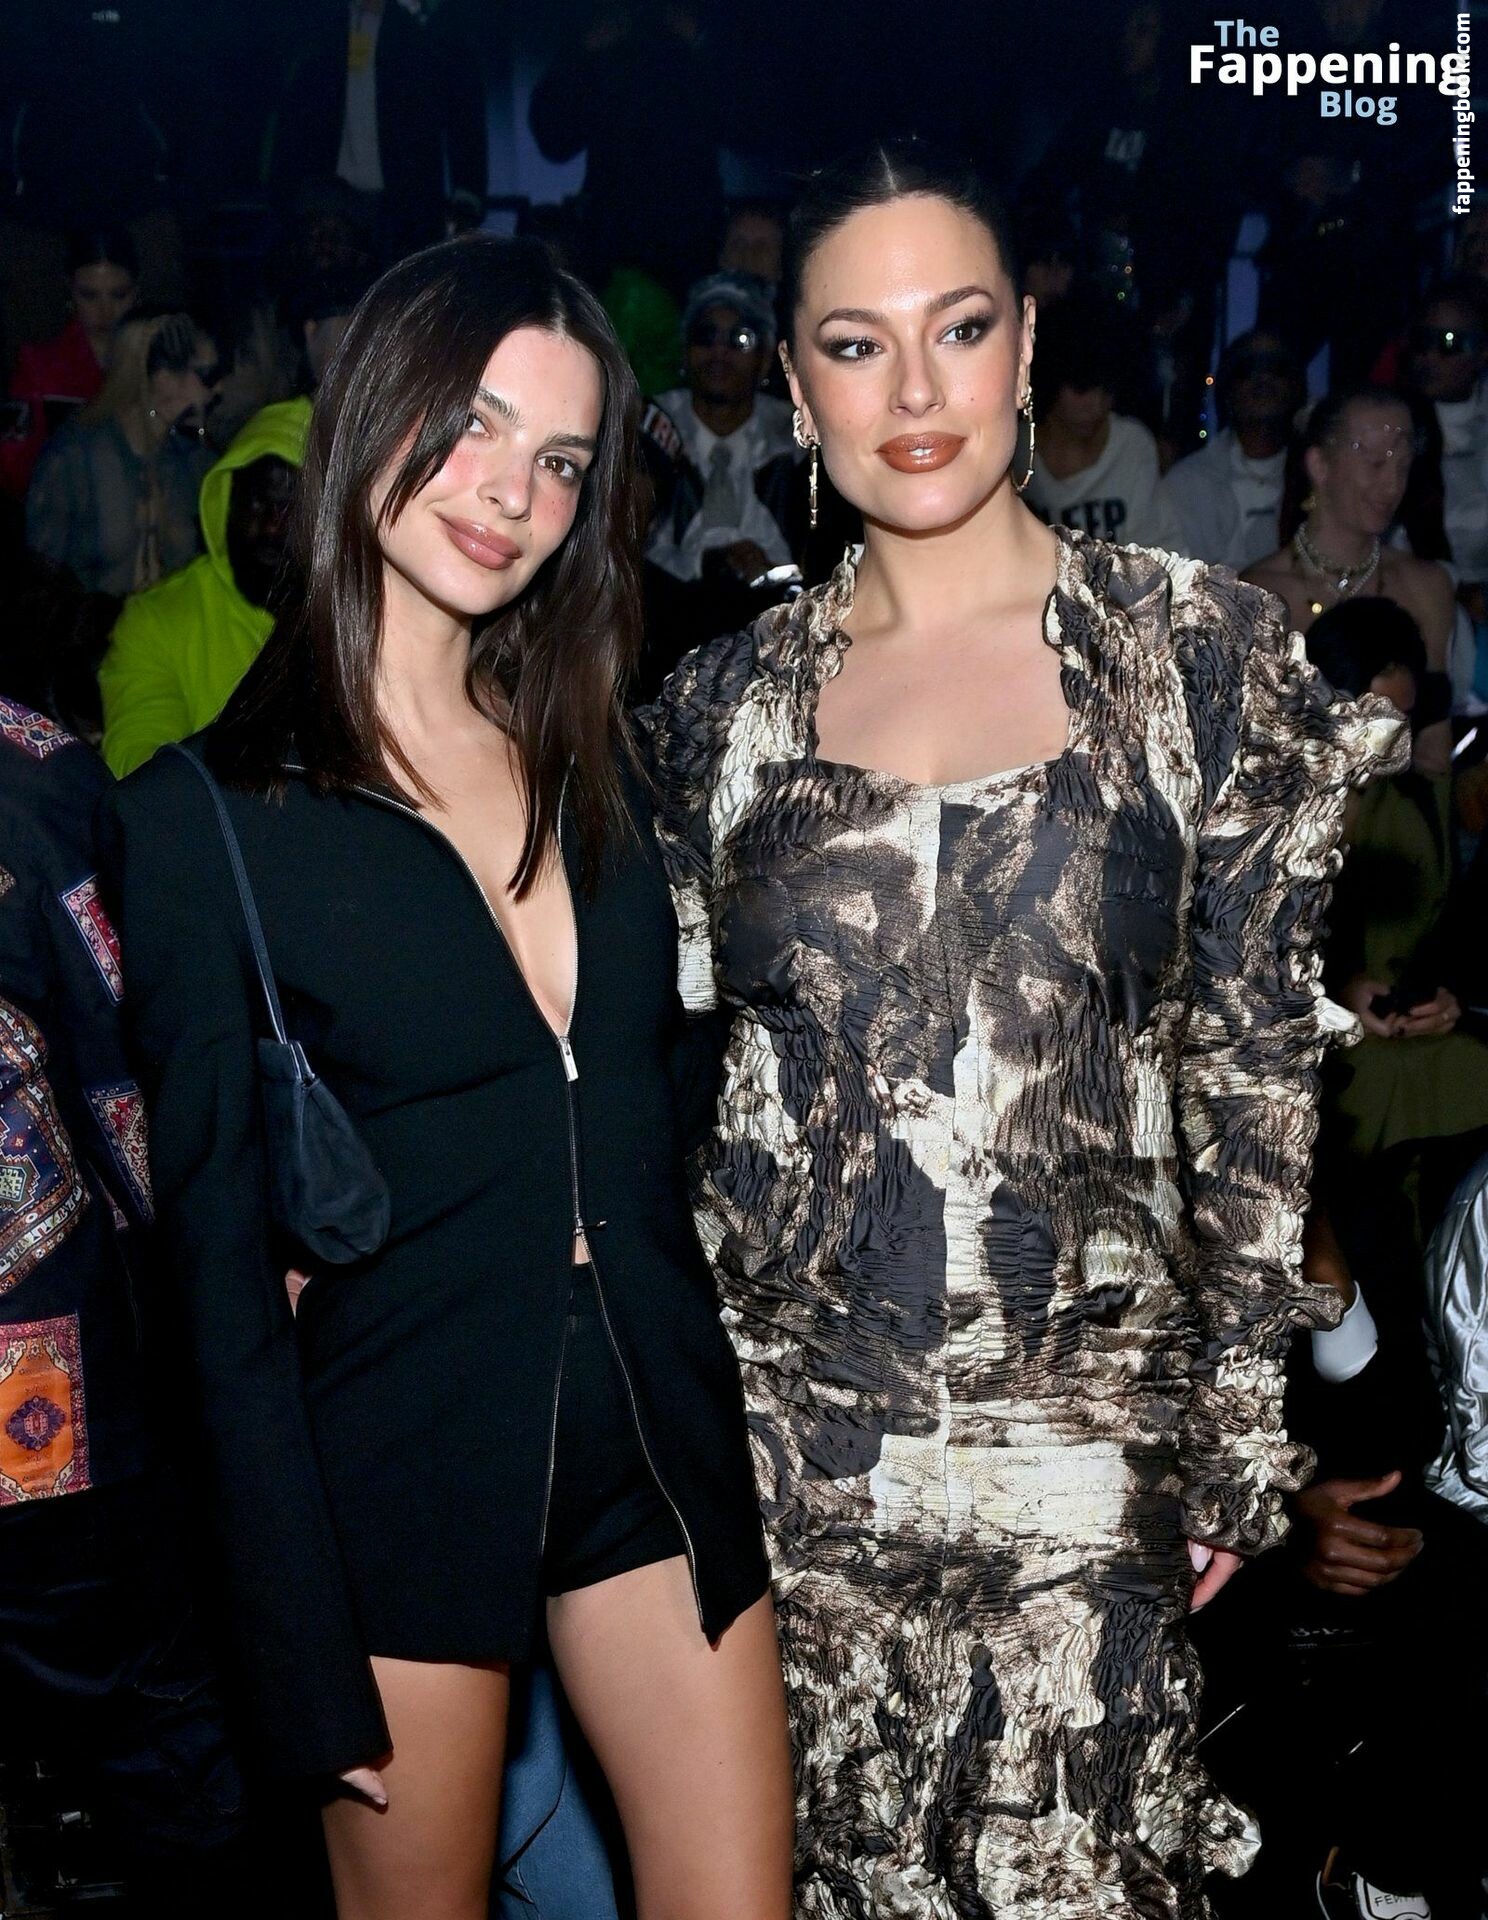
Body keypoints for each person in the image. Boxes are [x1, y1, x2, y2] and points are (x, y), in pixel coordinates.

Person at [643, 138, 1408, 1915]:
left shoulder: (1197, 656)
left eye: (960, 328)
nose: (914, 391)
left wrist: (1228, 1440)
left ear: (1027, 342)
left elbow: (1248, 1074)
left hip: (1086, 1470)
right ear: (793, 379)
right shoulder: (713, 710)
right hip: (783, 1466)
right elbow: (669, 1092)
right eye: (855, 344)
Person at [98, 234, 793, 1920]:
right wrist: (291, 1648)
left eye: (560, 459)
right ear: (372, 409)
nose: (511, 493)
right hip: (399, 1466)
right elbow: (214, 1298)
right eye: (473, 424)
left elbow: (679, 1103)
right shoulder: (206, 823)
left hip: (653, 1429)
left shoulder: (605, 758)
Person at [0, 692, 245, 1915]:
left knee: (125, 1668)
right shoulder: (29, 768)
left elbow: (119, 1072)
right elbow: (119, 1078)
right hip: (37, 1365)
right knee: (137, 1687)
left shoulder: (29, 774)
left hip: (30, 1375)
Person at [1244, 387, 1458, 778]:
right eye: (1376, 464)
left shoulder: (1428, 586)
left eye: (1403, 467)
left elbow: (1434, 748)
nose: (1392, 486)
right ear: (1320, 465)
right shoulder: (1260, 595)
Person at [98, 396, 309, 777]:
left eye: (294, 510)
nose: (272, 526)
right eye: (257, 503)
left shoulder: (371, 625)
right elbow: (139, 767)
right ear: (225, 500)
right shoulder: (157, 621)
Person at [25, 310, 221, 596]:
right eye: (207, 375)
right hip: (91, 623)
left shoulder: (192, 461)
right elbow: (40, 578)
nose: (217, 388)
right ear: (164, 378)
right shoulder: (73, 458)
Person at [644, 271, 799, 588]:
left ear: (766, 358)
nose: (719, 353)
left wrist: (773, 578)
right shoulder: (649, 431)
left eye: (740, 339)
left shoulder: (798, 438)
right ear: (685, 351)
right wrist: (701, 568)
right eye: (705, 335)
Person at [1023, 292, 1181, 547]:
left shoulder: (1131, 446)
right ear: (1050, 379)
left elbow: (1156, 549)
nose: (1096, 405)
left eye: (1107, 390)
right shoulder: (1015, 447)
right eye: (1081, 389)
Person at [1, 229, 139, 501]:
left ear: (136, 293)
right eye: (89, 295)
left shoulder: (158, 362)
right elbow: (12, 467)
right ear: (70, 292)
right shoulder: (39, 366)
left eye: (118, 295)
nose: (105, 310)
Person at [1159, 330, 1303, 570]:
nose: (1263, 378)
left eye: (1277, 367)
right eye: (1248, 368)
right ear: (1228, 389)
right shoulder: (1186, 484)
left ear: (1296, 385)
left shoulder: (1323, 480)